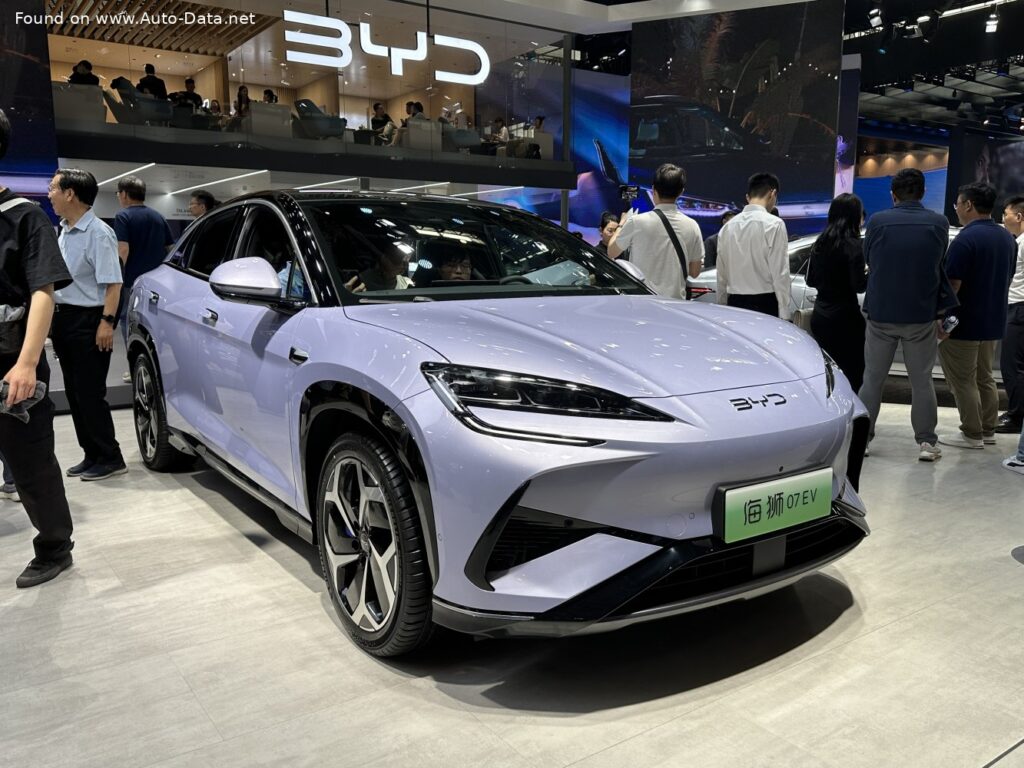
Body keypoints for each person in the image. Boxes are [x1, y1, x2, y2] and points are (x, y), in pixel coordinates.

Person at [0, 108, 76, 587]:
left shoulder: (25, 217)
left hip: (12, 360)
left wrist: (28, 363)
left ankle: (54, 547)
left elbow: (43, 291)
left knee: (30, 464)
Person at [857, 168, 954, 462]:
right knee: (922, 381)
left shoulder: (877, 221)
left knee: (873, 379)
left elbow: (869, 258)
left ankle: (862, 442)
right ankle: (926, 442)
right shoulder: (939, 223)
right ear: (923, 192)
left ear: (893, 194)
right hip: (920, 314)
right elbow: (939, 262)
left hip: (881, 312)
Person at [48, 168, 127, 481]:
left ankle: (110, 457)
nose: (49, 194)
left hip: (90, 321)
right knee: (75, 392)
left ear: (70, 194)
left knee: (90, 393)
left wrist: (106, 323)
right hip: (65, 319)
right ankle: (91, 453)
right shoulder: (65, 230)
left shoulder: (98, 233)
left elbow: (114, 284)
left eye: (53, 188)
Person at [937, 183, 1017, 450]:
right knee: (985, 377)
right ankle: (987, 429)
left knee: (962, 380)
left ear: (968, 205)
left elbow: (953, 285)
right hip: (993, 321)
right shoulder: (1006, 238)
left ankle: (971, 433)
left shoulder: (965, 239)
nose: (957, 209)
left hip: (963, 323)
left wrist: (941, 317)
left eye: (958, 204)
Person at [607, 163, 704, 298]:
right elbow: (694, 272)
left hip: (642, 301)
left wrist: (621, 224)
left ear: (654, 190)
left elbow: (611, 251)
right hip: (675, 303)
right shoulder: (692, 225)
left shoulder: (636, 222)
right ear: (681, 192)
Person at [806, 193, 868, 391]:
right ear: (855, 217)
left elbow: (810, 280)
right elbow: (859, 285)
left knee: (826, 375)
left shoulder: (819, 243)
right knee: (853, 374)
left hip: (821, 317)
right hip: (846, 318)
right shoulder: (855, 246)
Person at [113, 175, 174, 364]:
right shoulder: (158, 216)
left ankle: (135, 365)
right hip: (157, 282)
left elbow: (123, 250)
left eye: (118, 193)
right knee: (156, 322)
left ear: (124, 194)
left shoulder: (123, 216)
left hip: (132, 282)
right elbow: (171, 249)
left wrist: (116, 278)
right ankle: (160, 363)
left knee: (128, 320)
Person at [715, 173, 790, 319]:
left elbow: (721, 275)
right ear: (772, 193)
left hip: (734, 303)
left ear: (748, 196)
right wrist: (785, 313)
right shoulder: (775, 224)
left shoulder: (727, 227)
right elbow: (780, 273)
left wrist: (722, 307)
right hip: (765, 303)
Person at [996, 194, 1024, 435]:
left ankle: (1016, 417)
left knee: (1012, 365)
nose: (1003, 218)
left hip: (1019, 308)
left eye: (1006, 214)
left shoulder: (1021, 243)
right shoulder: (1018, 242)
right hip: (1017, 308)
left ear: (1019, 216)